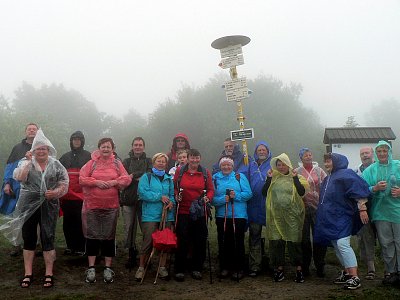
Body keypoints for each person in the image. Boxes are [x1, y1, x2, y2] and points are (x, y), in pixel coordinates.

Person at [7, 129, 69, 288]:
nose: (41, 151)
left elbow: (64, 182)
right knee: (29, 237)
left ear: (48, 150)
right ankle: (28, 273)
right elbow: (19, 177)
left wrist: (55, 192)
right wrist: (28, 162)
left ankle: (49, 273)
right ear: (33, 150)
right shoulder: (25, 162)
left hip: (49, 204)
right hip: (28, 204)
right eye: (38, 148)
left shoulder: (56, 164)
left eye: (44, 148)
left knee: (48, 237)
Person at [314, 153, 370, 290]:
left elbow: (360, 190)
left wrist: (362, 208)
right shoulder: (328, 178)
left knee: (342, 243)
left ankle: (355, 277)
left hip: (343, 216)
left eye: (329, 161)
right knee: (336, 244)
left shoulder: (346, 174)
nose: (326, 164)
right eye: (325, 161)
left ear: (337, 161)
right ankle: (347, 272)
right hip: (329, 218)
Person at [80, 138, 131, 284]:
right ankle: (91, 267)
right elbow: (82, 179)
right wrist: (96, 182)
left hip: (111, 206)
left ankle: (108, 268)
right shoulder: (92, 163)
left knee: (109, 236)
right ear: (99, 148)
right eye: (103, 147)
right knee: (92, 236)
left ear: (112, 149)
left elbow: (126, 179)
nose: (106, 149)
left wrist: (114, 182)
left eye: (108, 147)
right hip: (92, 205)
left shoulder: (117, 163)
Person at [262, 153, 308, 283]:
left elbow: (301, 192)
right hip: (276, 217)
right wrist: (268, 179)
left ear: (288, 164)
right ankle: (279, 269)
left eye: (283, 164)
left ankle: (299, 270)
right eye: (278, 165)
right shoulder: (273, 178)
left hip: (292, 216)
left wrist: (294, 179)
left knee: (294, 242)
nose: (281, 167)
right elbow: (263, 192)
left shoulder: (296, 177)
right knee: (277, 243)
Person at [362, 141, 400, 285]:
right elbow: (362, 188)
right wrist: (375, 188)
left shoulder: (398, 165)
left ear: (389, 152)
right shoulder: (370, 170)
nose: (382, 153)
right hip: (380, 212)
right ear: (376, 154)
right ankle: (391, 272)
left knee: (399, 242)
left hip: (397, 211)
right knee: (386, 243)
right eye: (379, 151)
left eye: (385, 150)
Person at [173, 149, 214, 281]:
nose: (194, 160)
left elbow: (211, 190)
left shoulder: (205, 173)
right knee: (182, 238)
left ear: (200, 158)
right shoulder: (180, 171)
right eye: (192, 157)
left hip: (199, 210)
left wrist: (207, 198)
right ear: (188, 158)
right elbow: (175, 186)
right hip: (183, 210)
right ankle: (180, 269)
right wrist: (176, 196)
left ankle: (197, 268)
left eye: (197, 158)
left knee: (199, 239)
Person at [135, 153, 175, 281]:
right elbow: (142, 192)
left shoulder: (169, 178)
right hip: (150, 215)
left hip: (166, 216)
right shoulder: (147, 177)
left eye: (164, 161)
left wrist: (171, 202)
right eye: (159, 161)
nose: (161, 163)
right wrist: (159, 197)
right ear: (154, 162)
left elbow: (171, 195)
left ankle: (162, 267)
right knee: (147, 242)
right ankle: (141, 267)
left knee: (165, 242)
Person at [0, 123, 38, 257]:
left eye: (34, 129)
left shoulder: (42, 147)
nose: (32, 131)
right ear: (25, 132)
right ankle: (16, 244)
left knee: (35, 216)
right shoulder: (17, 148)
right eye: (29, 129)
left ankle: (34, 244)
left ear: (38, 131)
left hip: (35, 189)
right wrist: (6, 183)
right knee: (17, 216)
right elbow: (10, 168)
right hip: (17, 189)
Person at [212, 156, 252, 280]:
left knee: (238, 241)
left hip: (238, 215)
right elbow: (212, 198)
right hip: (222, 215)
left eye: (228, 165)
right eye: (223, 165)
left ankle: (238, 268)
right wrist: (222, 199)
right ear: (220, 166)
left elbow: (249, 194)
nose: (226, 167)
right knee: (224, 242)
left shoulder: (239, 177)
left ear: (232, 166)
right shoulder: (215, 178)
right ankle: (225, 267)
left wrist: (236, 196)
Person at [295, 148, 327, 277]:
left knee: (319, 237)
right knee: (304, 239)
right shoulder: (297, 172)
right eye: (305, 155)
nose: (308, 157)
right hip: (302, 208)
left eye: (310, 154)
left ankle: (320, 265)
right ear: (301, 158)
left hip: (318, 208)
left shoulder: (319, 171)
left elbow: (325, 185)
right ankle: (305, 266)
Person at [120, 137, 152, 268]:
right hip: (128, 199)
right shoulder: (126, 161)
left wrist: (133, 175)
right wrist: (134, 176)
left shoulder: (149, 160)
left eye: (140, 145)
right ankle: (131, 254)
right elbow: (123, 176)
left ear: (144, 147)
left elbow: (149, 174)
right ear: (132, 146)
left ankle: (145, 256)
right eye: (136, 145)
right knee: (129, 228)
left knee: (146, 229)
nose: (138, 147)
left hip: (144, 200)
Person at [59, 131, 91, 256]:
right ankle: (70, 245)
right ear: (71, 141)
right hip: (67, 196)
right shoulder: (65, 156)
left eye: (79, 139)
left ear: (82, 141)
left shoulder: (88, 156)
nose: (76, 141)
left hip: (82, 196)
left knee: (80, 221)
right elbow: (59, 173)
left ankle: (81, 246)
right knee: (68, 222)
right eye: (74, 139)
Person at [247, 141, 272, 277]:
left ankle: (274, 265)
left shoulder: (273, 164)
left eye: (264, 150)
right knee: (254, 236)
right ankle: (255, 266)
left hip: (269, 205)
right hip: (254, 206)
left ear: (268, 151)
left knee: (273, 237)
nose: (261, 152)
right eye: (259, 150)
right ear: (256, 152)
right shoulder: (251, 165)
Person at [353, 146, 376, 280]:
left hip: (379, 207)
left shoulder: (378, 168)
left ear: (372, 154)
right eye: (362, 153)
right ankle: (370, 267)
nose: (365, 155)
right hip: (363, 207)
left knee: (385, 238)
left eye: (367, 153)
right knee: (366, 236)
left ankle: (390, 269)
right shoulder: (356, 170)